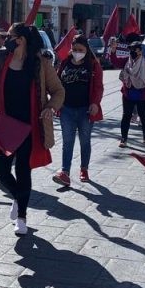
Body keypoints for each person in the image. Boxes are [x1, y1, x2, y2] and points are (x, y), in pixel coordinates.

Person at [0, 23, 64, 235]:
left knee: (23, 170)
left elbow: (58, 91)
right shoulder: (1, 60)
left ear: (21, 40)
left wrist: (50, 108)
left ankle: (22, 218)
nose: (4, 39)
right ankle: (19, 198)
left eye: (9, 36)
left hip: (29, 126)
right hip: (5, 125)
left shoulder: (40, 63)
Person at [52, 35, 103, 185]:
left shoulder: (93, 65)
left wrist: (95, 103)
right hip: (66, 109)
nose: (77, 52)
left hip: (85, 110)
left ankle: (84, 169)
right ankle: (65, 172)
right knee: (67, 142)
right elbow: (57, 82)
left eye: (80, 50)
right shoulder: (65, 63)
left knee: (84, 141)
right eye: (74, 49)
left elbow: (98, 87)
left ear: (87, 50)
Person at [117, 41, 145, 148]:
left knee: (143, 115)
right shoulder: (127, 62)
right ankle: (123, 139)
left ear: (141, 51)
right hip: (128, 93)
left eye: (135, 50)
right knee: (126, 116)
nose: (133, 52)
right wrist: (113, 50)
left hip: (143, 95)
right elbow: (115, 61)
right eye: (131, 50)